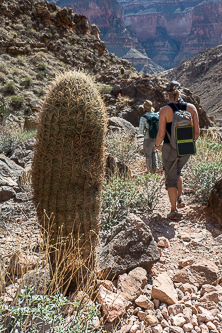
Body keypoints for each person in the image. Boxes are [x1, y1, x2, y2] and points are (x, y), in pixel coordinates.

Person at [153, 81, 200, 220]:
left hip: (169, 148)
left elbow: (161, 134)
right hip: (186, 149)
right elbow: (196, 132)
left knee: (170, 178)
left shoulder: (164, 110)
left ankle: (173, 211)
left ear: (168, 94)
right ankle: (180, 198)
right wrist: (188, 144)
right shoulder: (191, 108)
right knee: (178, 171)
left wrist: (156, 146)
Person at [139, 100, 159, 173]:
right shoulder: (157, 115)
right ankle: (156, 167)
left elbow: (140, 131)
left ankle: (150, 171)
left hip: (148, 138)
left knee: (148, 155)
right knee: (154, 152)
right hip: (156, 138)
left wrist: (144, 132)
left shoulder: (143, 117)